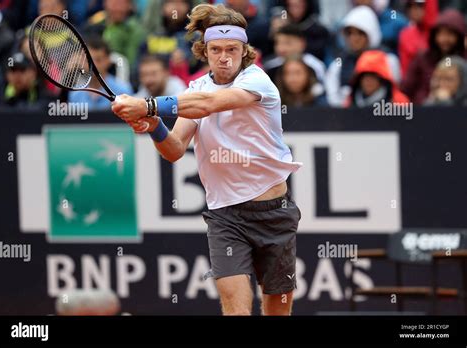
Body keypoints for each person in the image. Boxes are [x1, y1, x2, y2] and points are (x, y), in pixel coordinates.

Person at [111, 3, 302, 316]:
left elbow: (209, 104)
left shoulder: (257, 82)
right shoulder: (195, 90)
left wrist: (148, 105)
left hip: (274, 214)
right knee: (235, 310)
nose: (224, 57)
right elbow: (173, 150)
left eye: (231, 49)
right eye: (216, 50)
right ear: (204, 51)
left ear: (245, 51)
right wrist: (155, 125)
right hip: (225, 217)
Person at [325, 5, 401, 107]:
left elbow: (396, 91)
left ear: (371, 33)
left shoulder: (389, 60)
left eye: (360, 33)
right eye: (349, 33)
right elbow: (333, 100)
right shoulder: (338, 64)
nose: (354, 39)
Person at [402, 9, 466, 104]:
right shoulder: (423, 58)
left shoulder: (464, 60)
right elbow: (406, 89)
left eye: (449, 34)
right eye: (440, 33)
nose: (443, 39)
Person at [69, 37, 133, 110]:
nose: (92, 65)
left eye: (98, 60)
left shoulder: (123, 91)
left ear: (108, 61)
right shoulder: (74, 95)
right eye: (88, 60)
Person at [83, 0, 144, 69]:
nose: (116, 8)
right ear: (105, 3)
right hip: (89, 66)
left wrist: (109, 60)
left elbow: (131, 62)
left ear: (129, 6)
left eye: (120, 3)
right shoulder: (96, 21)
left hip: (118, 70)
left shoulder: (134, 30)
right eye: (113, 3)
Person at [398, 0, 439, 78]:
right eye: (410, 6)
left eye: (419, 5)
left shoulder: (441, 33)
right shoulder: (405, 34)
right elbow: (405, 70)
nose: (413, 10)